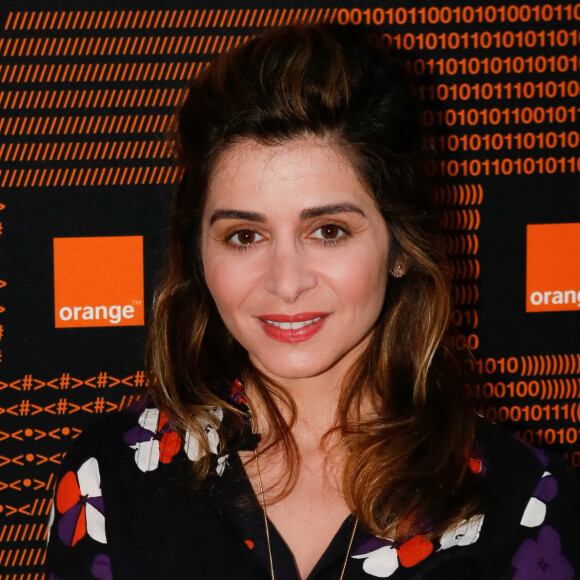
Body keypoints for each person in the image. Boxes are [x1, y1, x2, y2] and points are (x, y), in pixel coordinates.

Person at [46, 24, 578, 580]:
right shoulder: (110, 483)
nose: (286, 282)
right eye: (245, 236)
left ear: (400, 244)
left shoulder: (525, 503)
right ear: (198, 254)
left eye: (328, 230)